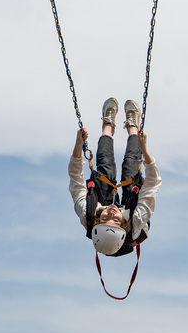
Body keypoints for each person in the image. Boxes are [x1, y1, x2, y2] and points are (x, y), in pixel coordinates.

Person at [68, 98, 161, 256]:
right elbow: (153, 183)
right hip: (132, 211)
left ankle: (108, 125)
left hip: (101, 207)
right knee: (131, 172)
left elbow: (75, 177)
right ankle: (132, 127)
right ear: (124, 225)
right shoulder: (137, 220)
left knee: (105, 171)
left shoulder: (88, 214)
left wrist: (78, 145)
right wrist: (144, 150)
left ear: (97, 221)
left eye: (105, 219)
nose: (111, 212)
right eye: (116, 220)